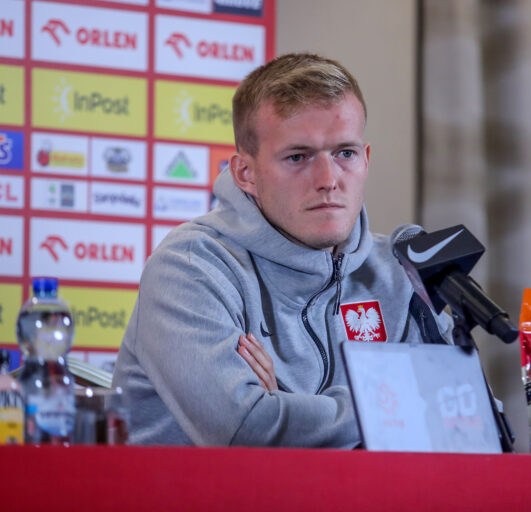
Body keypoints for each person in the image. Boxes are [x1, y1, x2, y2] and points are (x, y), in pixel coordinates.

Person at [112, 53, 453, 446]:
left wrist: (287, 407)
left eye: (345, 153)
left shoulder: (399, 271)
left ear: (366, 159)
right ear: (246, 173)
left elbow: (464, 422)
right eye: (298, 157)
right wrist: (399, 404)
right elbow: (250, 432)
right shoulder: (190, 267)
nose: (328, 179)